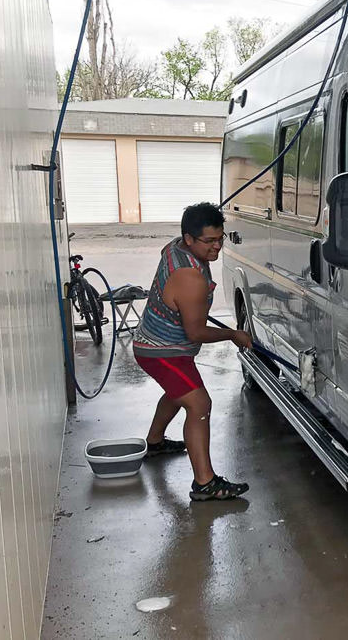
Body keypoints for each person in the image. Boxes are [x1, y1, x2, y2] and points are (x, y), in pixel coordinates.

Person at [133, 202, 253, 501]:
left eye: (220, 238)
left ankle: (155, 442)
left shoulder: (175, 247)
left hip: (157, 341)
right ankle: (205, 483)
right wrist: (233, 334)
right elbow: (196, 332)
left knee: (178, 393)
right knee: (199, 404)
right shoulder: (190, 279)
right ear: (189, 238)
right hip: (162, 351)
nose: (217, 247)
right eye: (209, 241)